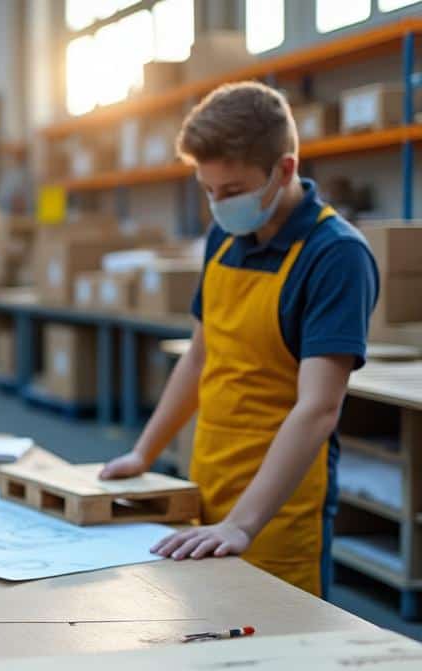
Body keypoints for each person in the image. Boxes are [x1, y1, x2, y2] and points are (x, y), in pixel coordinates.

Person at [100, 82, 379, 597]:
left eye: (231, 192)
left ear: (286, 169)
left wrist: (244, 524)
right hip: (207, 481)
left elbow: (319, 408)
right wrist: (144, 453)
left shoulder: (336, 255)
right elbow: (201, 355)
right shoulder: (223, 236)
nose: (217, 206)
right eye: (207, 191)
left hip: (277, 509)